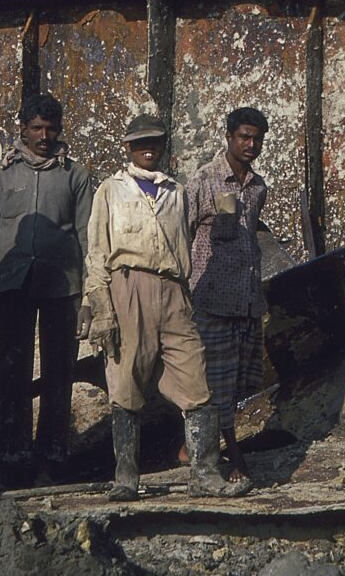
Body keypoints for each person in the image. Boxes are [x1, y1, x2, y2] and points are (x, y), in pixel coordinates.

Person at [80, 113, 252, 501]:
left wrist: (186, 293)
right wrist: (101, 304)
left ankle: (205, 472)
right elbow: (96, 251)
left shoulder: (176, 191)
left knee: (196, 380)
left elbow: (187, 245)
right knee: (126, 383)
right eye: (141, 142)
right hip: (128, 287)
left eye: (155, 142)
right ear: (127, 147)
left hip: (173, 290)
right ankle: (126, 477)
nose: (149, 148)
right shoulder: (111, 189)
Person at [0, 93, 92, 491]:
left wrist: (88, 295)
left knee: (59, 373)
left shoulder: (75, 174)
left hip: (62, 286)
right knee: (9, 375)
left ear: (60, 130)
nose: (44, 136)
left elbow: (86, 233)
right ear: (22, 128)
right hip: (9, 286)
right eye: (36, 128)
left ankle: (51, 463)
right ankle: (7, 465)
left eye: (51, 128)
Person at [186, 107, 269, 483]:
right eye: (244, 137)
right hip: (212, 302)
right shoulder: (203, 182)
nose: (250, 145)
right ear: (229, 136)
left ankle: (194, 446)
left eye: (256, 139)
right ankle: (231, 456)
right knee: (212, 385)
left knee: (239, 385)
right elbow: (180, 235)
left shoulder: (257, 187)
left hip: (246, 302)